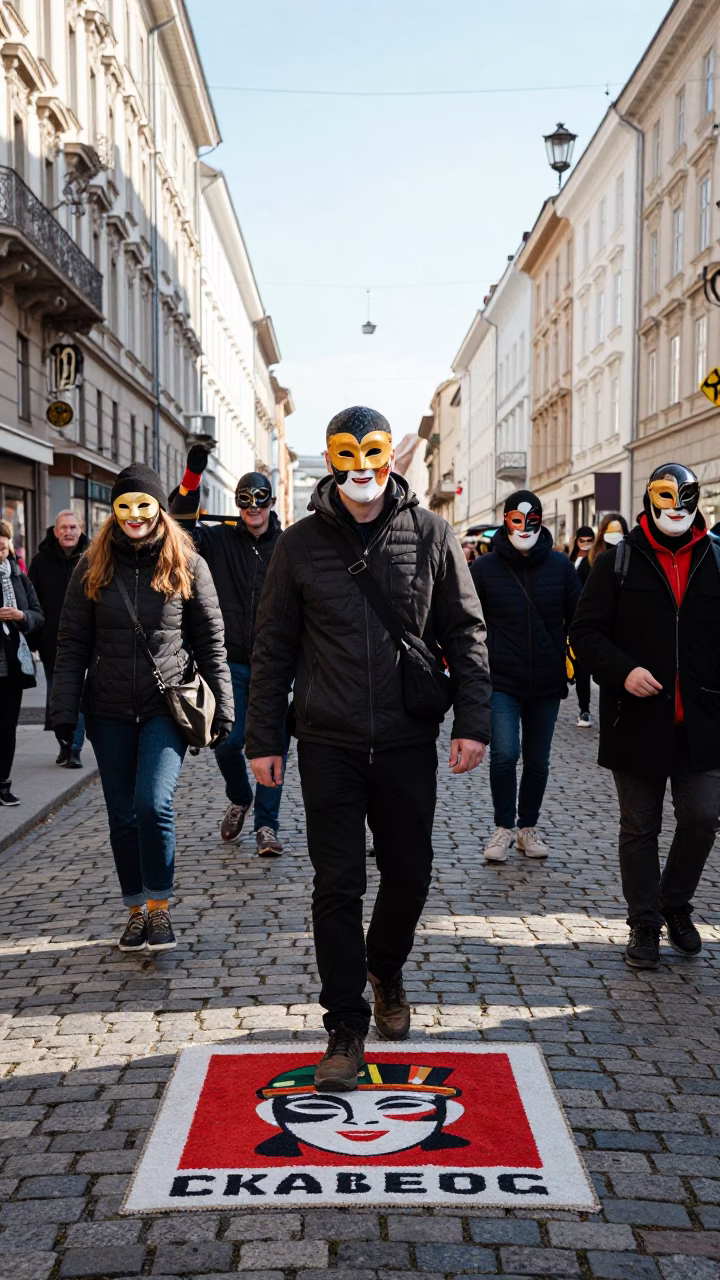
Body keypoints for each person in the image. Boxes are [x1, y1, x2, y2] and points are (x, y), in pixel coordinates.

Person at [246, 405, 492, 1090]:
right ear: (330, 459)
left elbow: (466, 635)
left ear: (392, 459)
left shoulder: (433, 533)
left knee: (410, 874)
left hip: (409, 738)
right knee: (338, 883)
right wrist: (263, 738)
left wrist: (474, 722)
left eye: (374, 454)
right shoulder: (297, 546)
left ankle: (384, 963)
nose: (361, 468)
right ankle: (345, 1027)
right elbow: (272, 649)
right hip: (328, 739)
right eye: (347, 454)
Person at [51, 463, 233, 953]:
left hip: (164, 707)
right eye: (125, 507)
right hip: (107, 710)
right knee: (122, 815)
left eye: (144, 505)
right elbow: (71, 643)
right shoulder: (90, 566)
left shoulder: (187, 564)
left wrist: (225, 710)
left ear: (158, 509)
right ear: (114, 511)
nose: (134, 516)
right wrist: (63, 710)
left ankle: (159, 907)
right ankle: (134, 909)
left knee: (153, 804)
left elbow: (212, 642)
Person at [571, 463, 720, 970]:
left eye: (686, 496)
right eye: (666, 496)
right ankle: (644, 922)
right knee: (640, 826)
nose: (676, 506)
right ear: (649, 500)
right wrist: (624, 671)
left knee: (702, 818)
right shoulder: (618, 562)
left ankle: (674, 902)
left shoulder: (716, 557)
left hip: (702, 722)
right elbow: (585, 634)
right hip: (635, 719)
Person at [170, 448, 287, 856]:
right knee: (225, 741)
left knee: (271, 743)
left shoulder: (288, 546)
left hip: (275, 664)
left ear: (271, 503)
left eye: (260, 499)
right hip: (230, 661)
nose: (252, 507)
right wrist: (191, 476)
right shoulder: (217, 540)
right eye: (244, 500)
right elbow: (179, 523)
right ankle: (241, 795)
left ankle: (266, 827)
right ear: (237, 504)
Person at [471, 490, 581, 864]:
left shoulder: (561, 567)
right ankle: (503, 826)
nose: (523, 527)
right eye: (516, 520)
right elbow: (468, 621)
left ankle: (526, 828)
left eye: (530, 520)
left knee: (537, 761)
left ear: (541, 520)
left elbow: (580, 619)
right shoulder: (483, 570)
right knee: (504, 754)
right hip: (501, 678)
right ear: (505, 520)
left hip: (547, 680)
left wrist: (575, 657)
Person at [28, 510, 89, 769]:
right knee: (57, 695)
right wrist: (35, 640)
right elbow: (32, 602)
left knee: (80, 697)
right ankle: (64, 744)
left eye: (73, 527)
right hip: (52, 643)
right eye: (63, 527)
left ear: (81, 530)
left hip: (87, 642)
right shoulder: (40, 561)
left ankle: (75, 748)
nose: (68, 531)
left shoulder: (93, 558)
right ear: (55, 531)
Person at [0, 523, 43, 806]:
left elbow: (38, 615)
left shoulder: (18, 576)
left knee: (6, 728)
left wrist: (21, 616)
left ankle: (3, 785)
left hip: (11, 666)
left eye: (3, 547)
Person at [569, 525, 596, 728]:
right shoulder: (568, 562)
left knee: (584, 669)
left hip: (588, 622)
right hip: (569, 623)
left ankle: (585, 710)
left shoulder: (594, 562)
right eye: (582, 540)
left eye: (590, 540)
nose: (586, 544)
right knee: (576, 669)